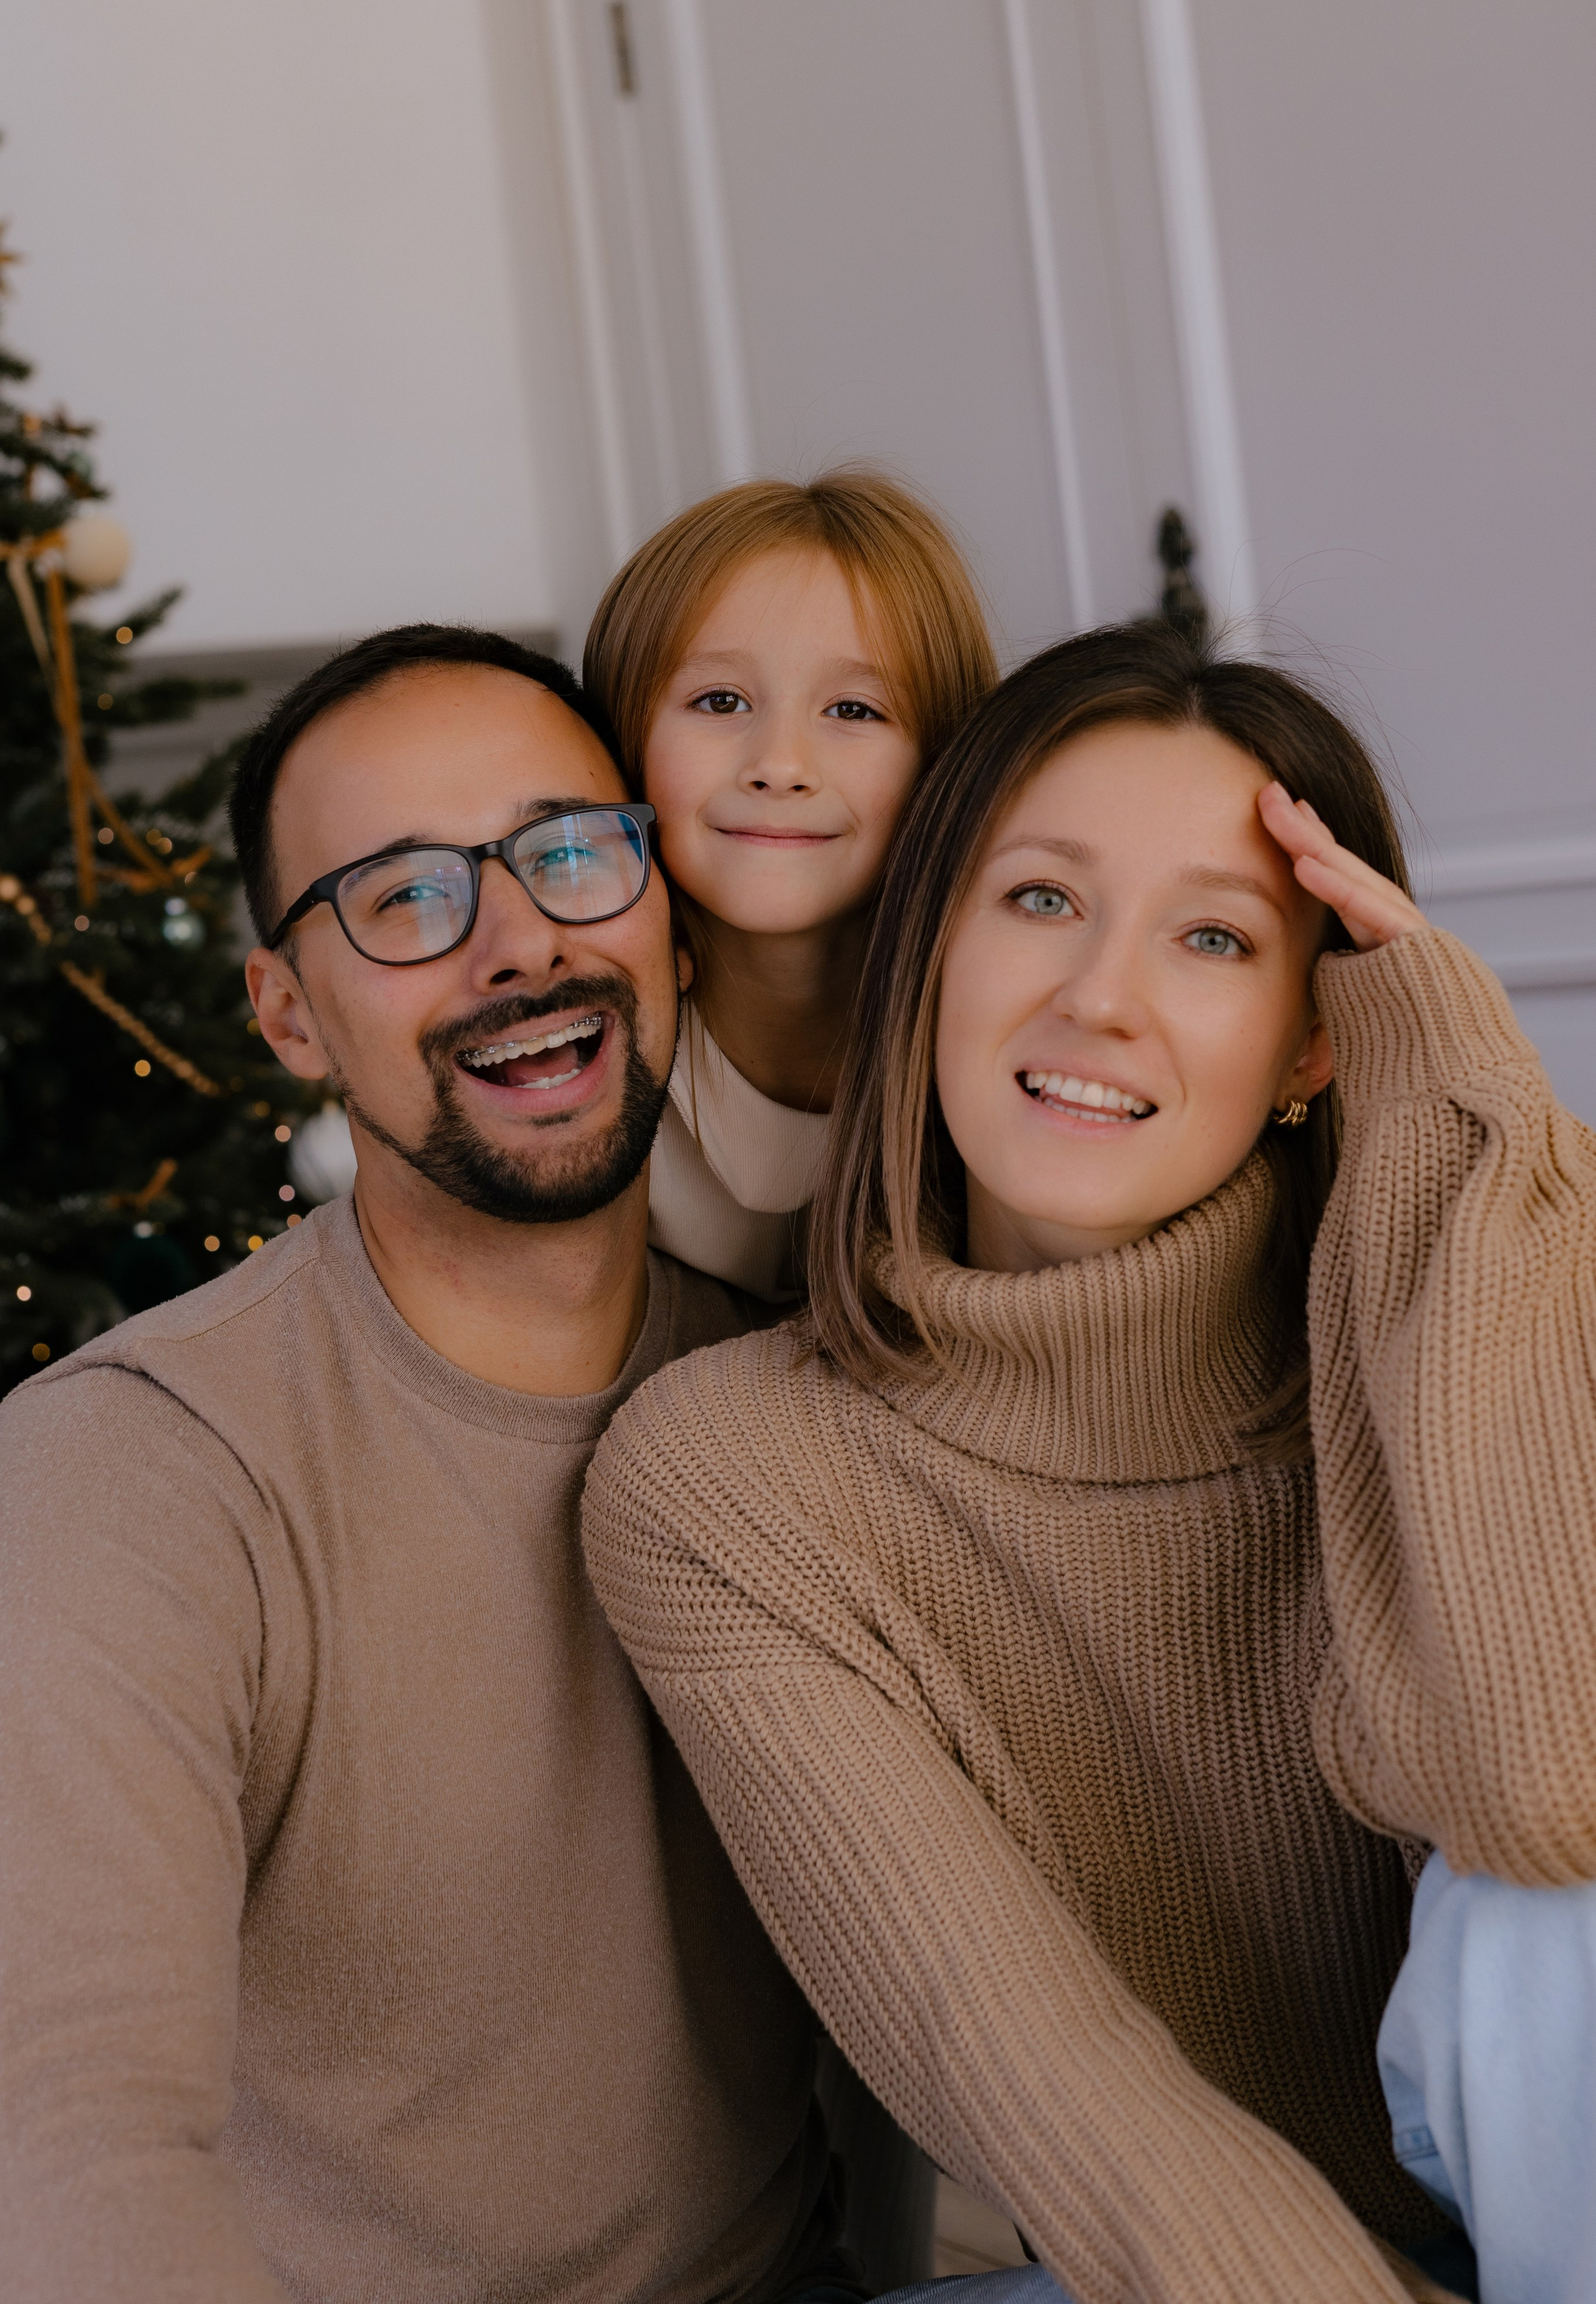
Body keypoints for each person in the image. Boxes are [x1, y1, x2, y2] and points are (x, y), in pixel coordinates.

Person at [584, 618, 1596, 2304]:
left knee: (1547, 1918)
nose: (1099, 998)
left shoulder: (1491, 1281)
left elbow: (1549, 1803)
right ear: (928, 954)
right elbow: (1047, 2082)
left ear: (1314, 1042)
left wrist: (1461, 1117)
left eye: (1213, 938)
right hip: (1187, 2268)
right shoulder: (728, 1487)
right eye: (1040, 900)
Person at [0, 624, 857, 2303]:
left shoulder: (805, 1384)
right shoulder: (130, 1472)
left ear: (668, 917)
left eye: (571, 854)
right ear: (288, 1014)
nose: (523, 943)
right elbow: (70, 2133)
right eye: (403, 898)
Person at [584, 470, 996, 1302]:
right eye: (720, 699)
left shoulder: (996, 1022)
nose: (780, 766)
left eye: (855, 712)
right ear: (625, 736)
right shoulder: (582, 1035)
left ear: (942, 764)